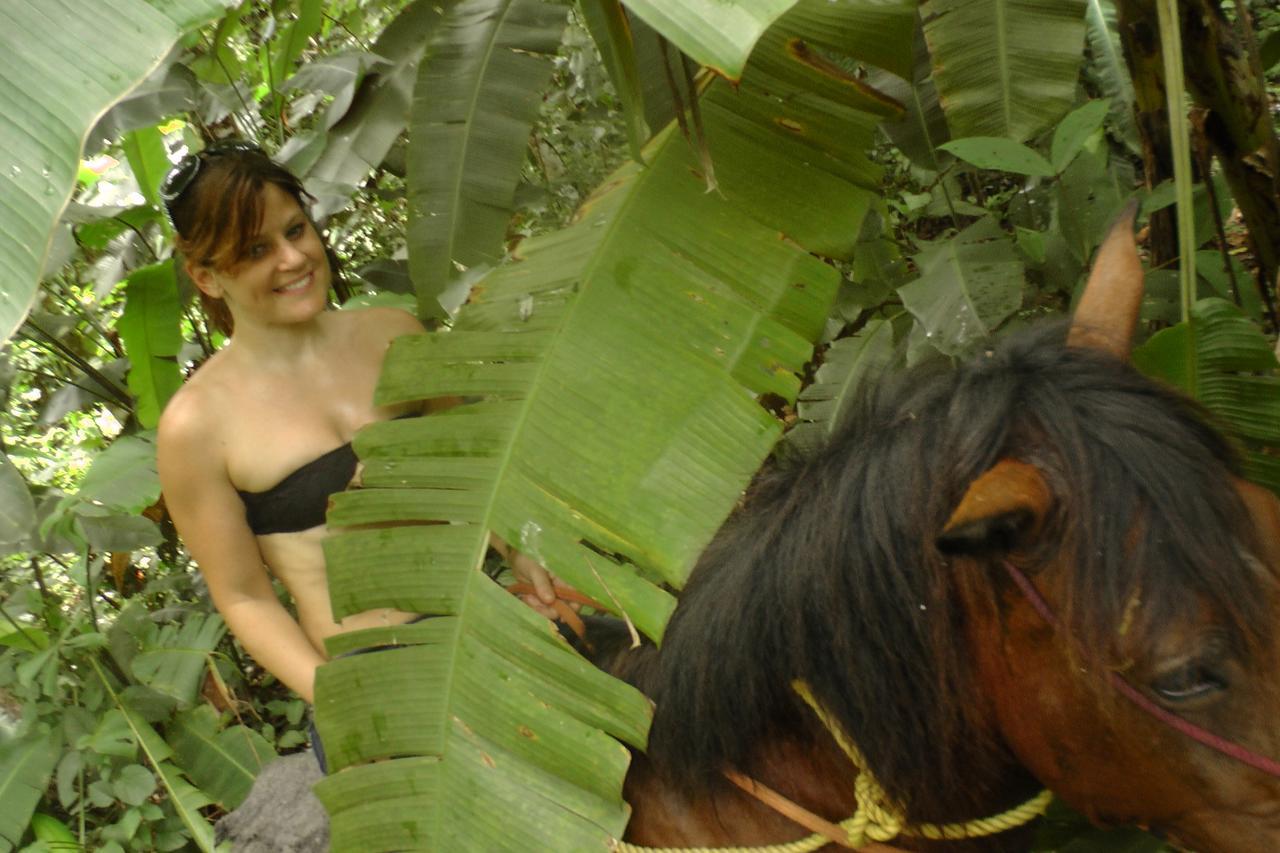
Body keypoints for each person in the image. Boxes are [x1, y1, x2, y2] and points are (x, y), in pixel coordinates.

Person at [155, 141, 566, 714]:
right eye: (255, 249)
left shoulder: (392, 333)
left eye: (295, 231)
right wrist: (339, 700)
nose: (292, 258)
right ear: (206, 276)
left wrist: (521, 555)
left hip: (485, 623)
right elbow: (245, 597)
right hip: (371, 678)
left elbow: (468, 475)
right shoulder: (195, 426)